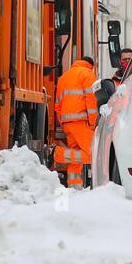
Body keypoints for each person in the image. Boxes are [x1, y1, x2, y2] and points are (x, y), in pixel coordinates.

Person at [53, 55, 99, 189]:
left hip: (68, 123)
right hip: (81, 121)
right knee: (94, 154)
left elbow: (57, 105)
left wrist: (63, 122)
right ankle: (57, 154)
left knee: (75, 159)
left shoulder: (63, 77)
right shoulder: (88, 74)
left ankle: (74, 188)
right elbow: (91, 100)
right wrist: (93, 122)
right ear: (91, 65)